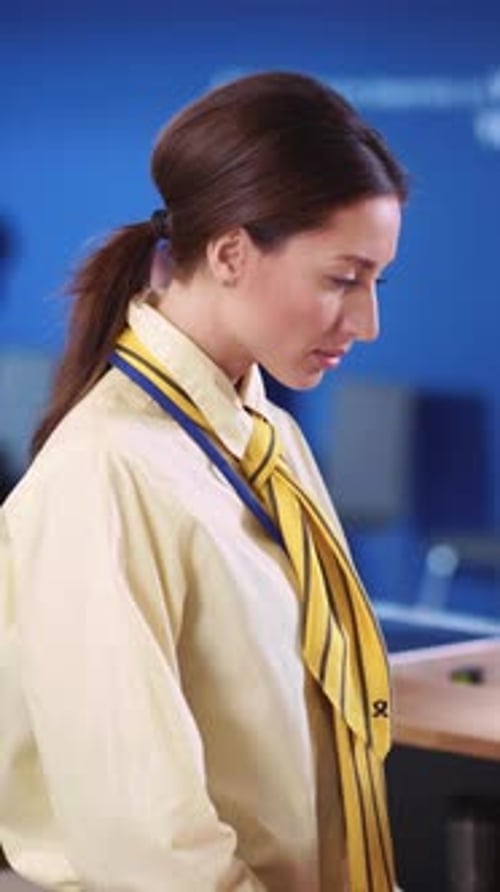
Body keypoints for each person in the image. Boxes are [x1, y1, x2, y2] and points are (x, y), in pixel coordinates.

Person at [0, 71, 407, 892]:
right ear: (228, 253)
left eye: (376, 283)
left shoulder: (272, 440)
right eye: (341, 279)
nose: (367, 324)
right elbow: (148, 844)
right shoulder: (104, 474)